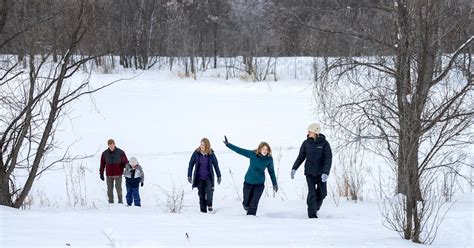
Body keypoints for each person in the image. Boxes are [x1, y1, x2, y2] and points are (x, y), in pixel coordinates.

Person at [223, 136, 278, 216]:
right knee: (246, 203)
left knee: (254, 204)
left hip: (259, 184)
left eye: (266, 149)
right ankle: (245, 206)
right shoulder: (253, 154)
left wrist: (274, 183)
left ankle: (251, 220)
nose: (265, 151)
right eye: (263, 149)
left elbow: (271, 172)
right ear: (260, 149)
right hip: (248, 182)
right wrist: (228, 145)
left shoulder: (269, 159)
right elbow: (240, 150)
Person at [291, 123, 332, 218]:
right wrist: (294, 168)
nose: (308, 132)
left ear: (316, 132)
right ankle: (312, 216)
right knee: (312, 193)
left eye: (310, 131)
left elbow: (328, 159)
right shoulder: (306, 143)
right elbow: (301, 157)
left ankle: (315, 207)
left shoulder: (325, 144)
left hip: (321, 173)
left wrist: (326, 172)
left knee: (322, 193)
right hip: (309, 173)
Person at [187, 138, 222, 213]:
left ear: (207, 146)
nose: (202, 146)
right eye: (201, 144)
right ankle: (203, 212)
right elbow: (191, 164)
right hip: (199, 177)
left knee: (210, 191)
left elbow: (216, 164)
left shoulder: (211, 154)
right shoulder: (196, 153)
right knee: (201, 194)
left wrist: (219, 175)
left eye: (203, 145)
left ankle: (209, 205)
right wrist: (189, 175)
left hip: (208, 177)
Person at [100, 139, 128, 204]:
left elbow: (125, 163)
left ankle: (120, 202)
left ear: (114, 144)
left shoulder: (121, 152)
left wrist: (127, 172)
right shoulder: (104, 153)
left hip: (118, 174)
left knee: (119, 189)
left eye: (112, 145)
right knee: (109, 190)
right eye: (110, 145)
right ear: (108, 145)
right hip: (109, 175)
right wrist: (101, 173)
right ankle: (111, 202)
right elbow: (102, 164)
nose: (111, 147)